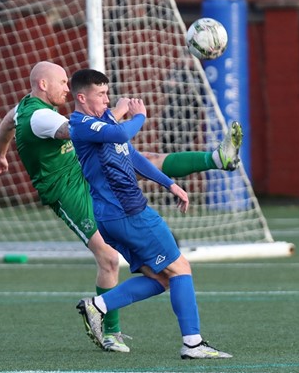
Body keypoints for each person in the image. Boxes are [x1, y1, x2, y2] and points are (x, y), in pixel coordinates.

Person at [0, 61, 242, 353]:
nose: (67, 88)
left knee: (161, 274)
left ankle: (216, 159)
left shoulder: (25, 108)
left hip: (88, 178)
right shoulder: (43, 117)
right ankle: (114, 332)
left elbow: (9, 121)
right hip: (70, 190)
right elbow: (79, 131)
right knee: (112, 259)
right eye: (62, 82)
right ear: (43, 85)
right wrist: (123, 114)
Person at [69, 68, 232, 359]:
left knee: (162, 279)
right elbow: (120, 132)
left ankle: (99, 306)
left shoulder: (102, 121)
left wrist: (169, 184)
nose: (107, 100)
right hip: (128, 213)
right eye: (101, 94)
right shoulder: (81, 124)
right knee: (181, 268)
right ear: (82, 98)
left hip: (116, 216)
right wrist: (138, 116)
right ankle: (193, 344)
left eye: (108, 93)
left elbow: (132, 156)